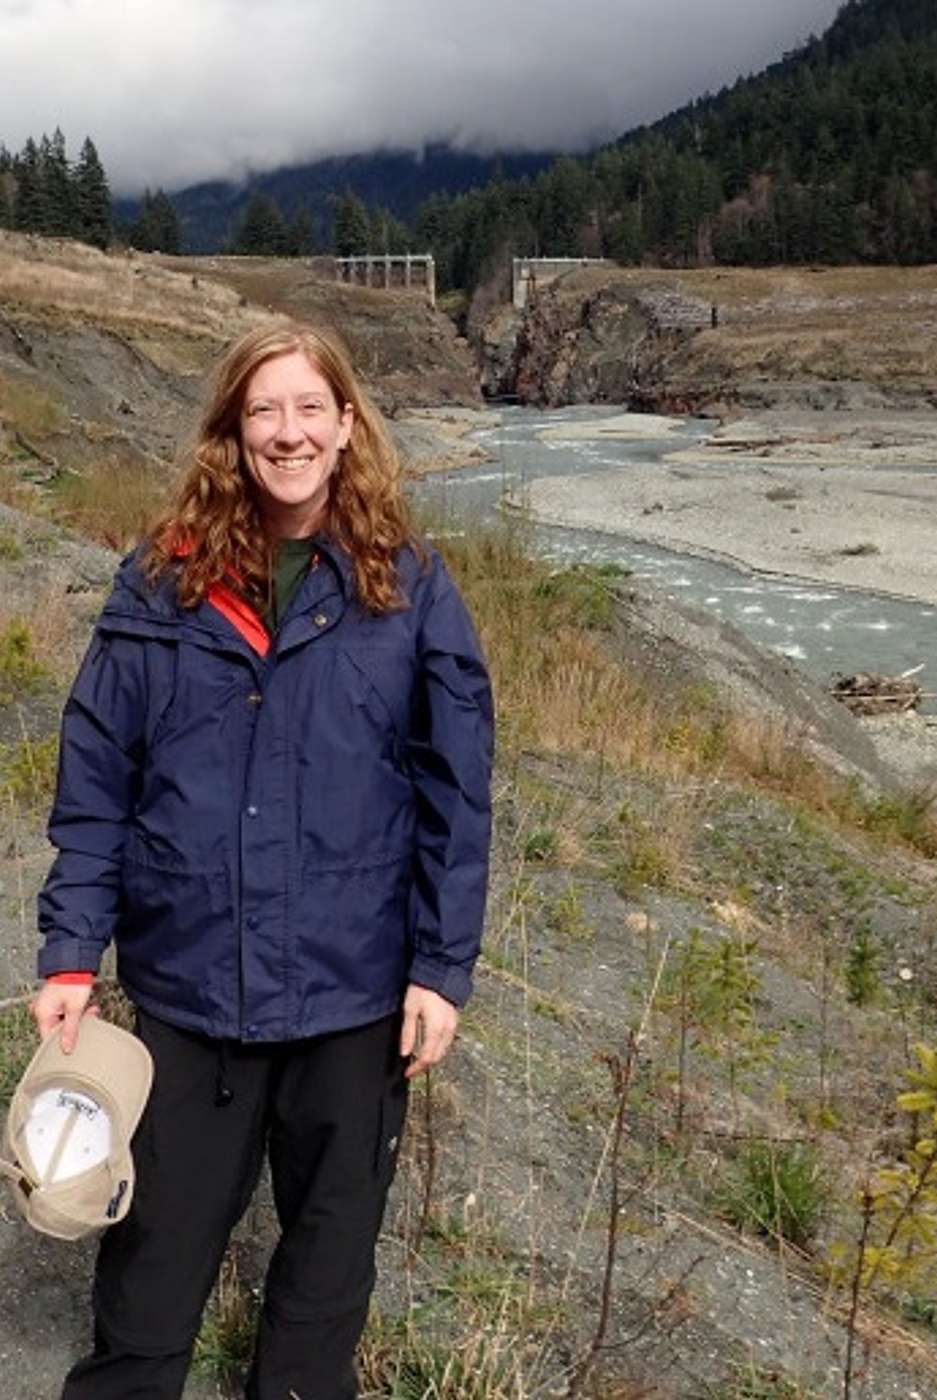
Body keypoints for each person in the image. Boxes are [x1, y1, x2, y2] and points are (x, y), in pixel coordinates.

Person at [30, 320, 494, 1399]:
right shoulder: (159, 580)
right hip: (193, 996)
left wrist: (440, 967)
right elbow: (96, 783)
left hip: (354, 1002)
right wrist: (68, 954)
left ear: (344, 426)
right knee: (148, 1287)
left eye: (307, 409)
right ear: (233, 433)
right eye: (263, 411)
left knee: (322, 1293)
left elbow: (455, 792)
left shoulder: (408, 585)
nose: (287, 433)